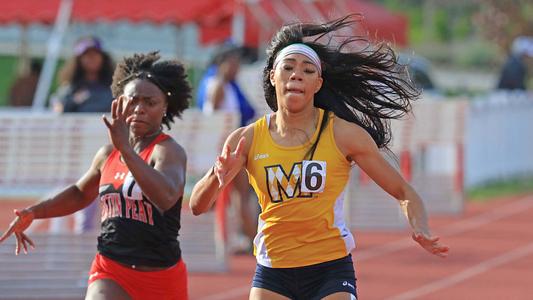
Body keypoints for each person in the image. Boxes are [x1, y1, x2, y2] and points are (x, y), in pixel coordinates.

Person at [189, 15, 449, 300]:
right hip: (273, 269)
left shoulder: (342, 134)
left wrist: (420, 226)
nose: (296, 75)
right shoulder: (246, 139)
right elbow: (198, 206)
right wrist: (217, 175)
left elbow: (403, 191)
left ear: (318, 83)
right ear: (272, 76)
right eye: (287, 68)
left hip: (330, 269)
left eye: (307, 70)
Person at [0, 51, 192, 300]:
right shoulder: (108, 153)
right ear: (119, 102)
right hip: (111, 268)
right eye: (132, 100)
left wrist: (126, 150)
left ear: (165, 106)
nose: (139, 109)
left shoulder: (168, 151)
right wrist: (34, 212)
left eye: (150, 102)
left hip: (160, 275)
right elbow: (81, 193)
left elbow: (166, 197)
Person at [50, 36, 115, 234]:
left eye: (95, 55)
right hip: (74, 156)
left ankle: (84, 236)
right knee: (69, 197)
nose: (91, 59)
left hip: (102, 154)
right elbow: (58, 113)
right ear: (78, 60)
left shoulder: (112, 88)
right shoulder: (69, 90)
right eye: (86, 56)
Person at [196, 44, 257, 251]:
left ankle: (244, 239)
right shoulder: (217, 85)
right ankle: (250, 242)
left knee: (237, 195)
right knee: (237, 195)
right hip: (225, 148)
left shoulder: (227, 83)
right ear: (223, 63)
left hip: (229, 145)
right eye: (234, 62)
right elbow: (212, 117)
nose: (237, 66)